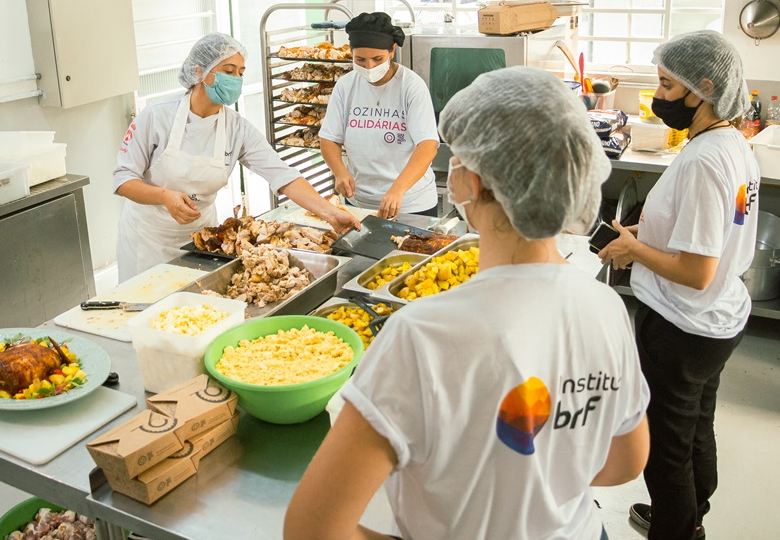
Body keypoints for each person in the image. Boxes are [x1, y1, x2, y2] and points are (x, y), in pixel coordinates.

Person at [284, 67, 650, 540]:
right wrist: (534, 481)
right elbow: (626, 462)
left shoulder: (422, 334)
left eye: (456, 160)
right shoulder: (605, 307)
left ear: (471, 182)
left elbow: (313, 529)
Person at [598, 30, 760, 540]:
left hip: (682, 325)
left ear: (703, 88)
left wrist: (631, 250)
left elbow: (696, 270)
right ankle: (692, 516)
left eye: (667, 86)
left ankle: (676, 527)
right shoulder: (730, 142)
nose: (659, 96)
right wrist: (644, 232)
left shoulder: (705, 160)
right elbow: (709, 229)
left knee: (666, 447)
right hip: (719, 318)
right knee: (695, 426)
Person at [113, 32, 360, 282]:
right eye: (228, 71)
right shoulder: (156, 116)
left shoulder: (236, 128)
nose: (235, 80)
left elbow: (283, 175)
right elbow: (123, 179)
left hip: (201, 239)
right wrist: (165, 196)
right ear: (199, 71)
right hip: (147, 239)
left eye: (240, 73)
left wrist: (331, 213)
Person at [319, 12, 439, 219]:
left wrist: (398, 189)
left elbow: (427, 145)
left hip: (410, 203)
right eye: (360, 60)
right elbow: (329, 138)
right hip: (359, 202)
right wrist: (339, 172)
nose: (369, 67)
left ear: (392, 51)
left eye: (377, 59)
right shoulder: (346, 86)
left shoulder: (411, 86)